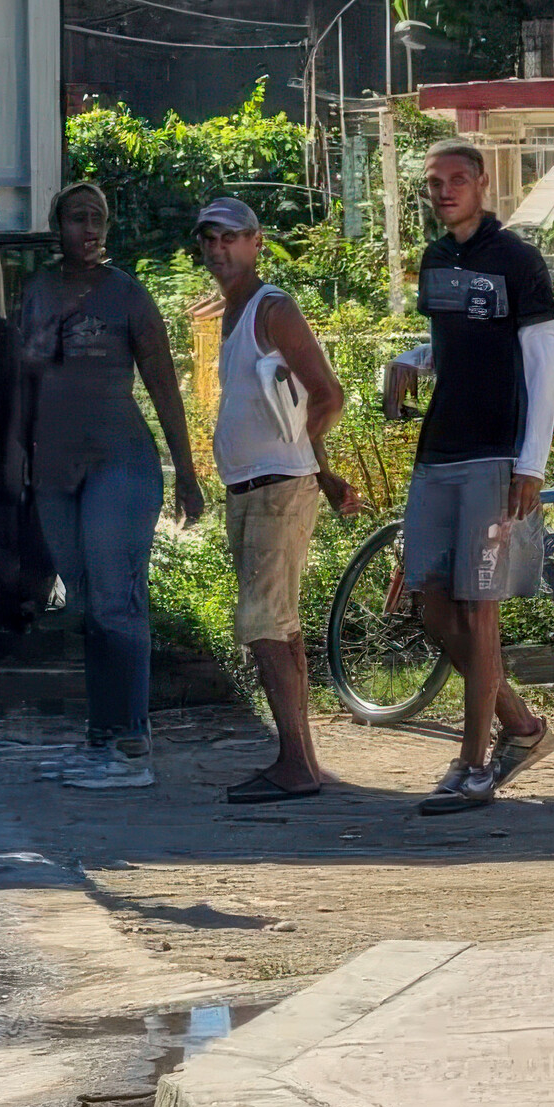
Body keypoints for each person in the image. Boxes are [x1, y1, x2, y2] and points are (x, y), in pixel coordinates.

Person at [382, 141, 554, 813]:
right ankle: (520, 727)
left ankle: (473, 764)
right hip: (437, 454)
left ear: (482, 184)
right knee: (428, 603)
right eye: (433, 182)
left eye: (457, 178)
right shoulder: (434, 261)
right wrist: (410, 359)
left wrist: (529, 463)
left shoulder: (515, 260)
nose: (444, 190)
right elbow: (457, 344)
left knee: (478, 610)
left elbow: (545, 365)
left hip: (494, 455)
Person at [21, 183, 206, 791]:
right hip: (53, 470)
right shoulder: (40, 292)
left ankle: (130, 742)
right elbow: (23, 385)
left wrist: (186, 471)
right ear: (58, 227)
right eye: (78, 218)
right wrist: (10, 457)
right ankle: (102, 736)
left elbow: (163, 386)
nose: (90, 229)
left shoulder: (128, 296)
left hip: (119, 466)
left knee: (115, 601)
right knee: (85, 607)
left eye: (98, 218)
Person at [198, 197, 361, 803]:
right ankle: (302, 760)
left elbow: (327, 396)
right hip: (257, 488)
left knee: (265, 626)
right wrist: (323, 472)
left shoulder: (273, 307)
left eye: (231, 238)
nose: (219, 249)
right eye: (210, 239)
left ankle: (294, 763)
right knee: (279, 626)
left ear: (257, 241)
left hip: (274, 490)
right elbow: (288, 409)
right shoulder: (232, 311)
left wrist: (304, 465)